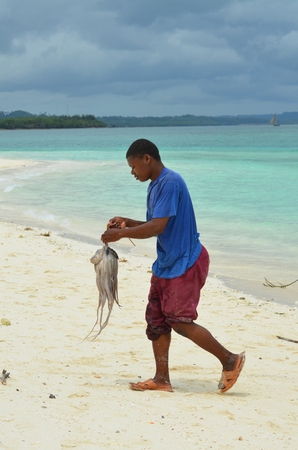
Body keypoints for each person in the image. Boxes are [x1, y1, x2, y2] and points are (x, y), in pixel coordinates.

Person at [101, 138, 245, 393]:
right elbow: (155, 223)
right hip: (166, 264)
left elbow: (158, 226)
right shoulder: (155, 186)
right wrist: (127, 223)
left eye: (133, 166)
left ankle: (230, 360)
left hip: (185, 262)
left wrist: (121, 236)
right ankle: (161, 379)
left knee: (180, 321)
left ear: (147, 158)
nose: (132, 173)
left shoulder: (170, 181)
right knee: (156, 321)